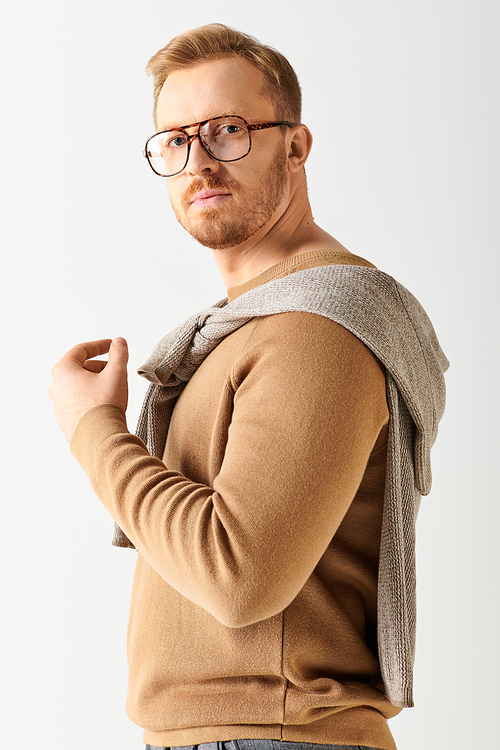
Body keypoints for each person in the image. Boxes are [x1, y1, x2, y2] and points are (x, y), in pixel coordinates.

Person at [49, 23, 448, 750]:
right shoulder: (249, 324)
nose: (198, 161)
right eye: (175, 141)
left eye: (227, 130)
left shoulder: (314, 326)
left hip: (274, 735)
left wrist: (93, 431)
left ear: (294, 145)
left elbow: (239, 578)